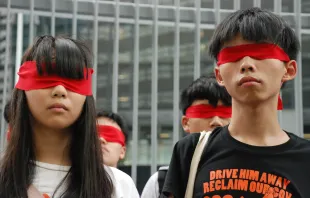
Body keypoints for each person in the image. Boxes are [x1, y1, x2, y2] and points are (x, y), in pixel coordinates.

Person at [162, 7, 310, 198]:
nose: (247, 64)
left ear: (289, 70)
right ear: (219, 75)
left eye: (261, 52)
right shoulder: (191, 151)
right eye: (233, 55)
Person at [0, 35, 139, 198]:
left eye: (73, 79)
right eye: (46, 77)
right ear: (23, 89)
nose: (60, 90)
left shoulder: (118, 186)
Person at [141, 75, 232, 198]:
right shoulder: (160, 183)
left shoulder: (250, 174)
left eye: (224, 113)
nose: (216, 121)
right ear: (185, 123)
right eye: (205, 112)